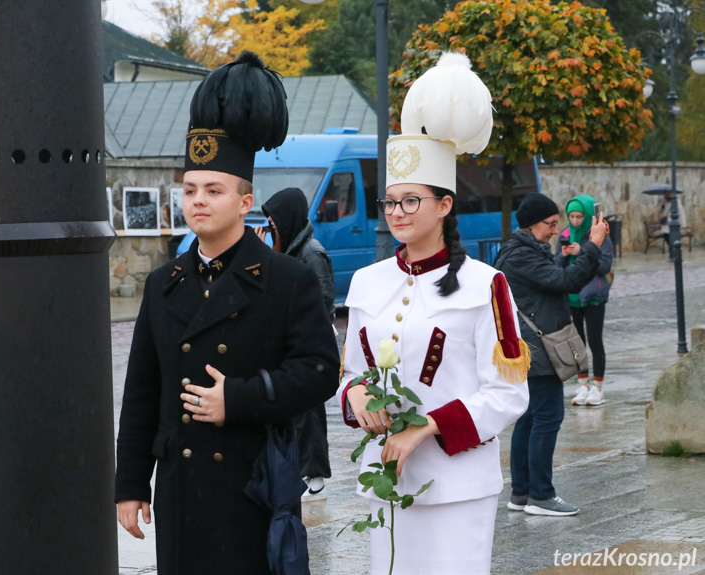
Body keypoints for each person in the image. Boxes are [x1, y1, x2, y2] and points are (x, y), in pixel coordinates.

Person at [114, 52, 340, 575]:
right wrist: (129, 485)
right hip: (179, 490)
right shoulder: (162, 284)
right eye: (190, 191)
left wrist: (236, 399)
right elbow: (142, 392)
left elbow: (321, 372)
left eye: (214, 191)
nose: (198, 202)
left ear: (245, 202)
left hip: (251, 484)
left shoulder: (287, 279)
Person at [338, 53, 530, 575]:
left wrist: (424, 425)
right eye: (389, 203)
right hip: (387, 482)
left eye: (411, 201)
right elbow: (352, 374)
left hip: (458, 486)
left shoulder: (486, 285)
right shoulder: (365, 282)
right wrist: (356, 395)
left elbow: (509, 393)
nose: (397, 213)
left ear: (445, 205)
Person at [495, 192, 608, 517]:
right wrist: (593, 246)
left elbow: (550, 279)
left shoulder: (522, 250)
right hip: (537, 348)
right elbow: (568, 282)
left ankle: (522, 493)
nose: (554, 230)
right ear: (532, 224)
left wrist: (566, 254)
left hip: (530, 345)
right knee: (546, 418)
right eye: (550, 224)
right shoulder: (520, 255)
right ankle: (541, 495)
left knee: (529, 420)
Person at [255, 187, 334, 500]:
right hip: (290, 343)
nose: (270, 225)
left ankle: (315, 477)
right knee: (296, 410)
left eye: (273, 220)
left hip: (309, 345)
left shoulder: (311, 253)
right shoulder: (287, 249)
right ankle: (299, 469)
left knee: (311, 413)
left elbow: (324, 298)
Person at [555, 195, 613, 406]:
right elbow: (556, 265)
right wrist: (563, 254)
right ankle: (582, 385)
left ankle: (597, 387)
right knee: (577, 343)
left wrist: (584, 252)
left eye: (580, 216)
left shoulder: (599, 234)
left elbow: (605, 266)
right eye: (572, 216)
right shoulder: (565, 234)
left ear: (588, 216)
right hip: (571, 296)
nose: (576, 220)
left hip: (594, 296)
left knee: (595, 341)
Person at [660, 188, 687, 254]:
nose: (666, 195)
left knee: (673, 239)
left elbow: (681, 212)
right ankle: (672, 251)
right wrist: (662, 204)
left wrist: (683, 224)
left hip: (673, 224)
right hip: (666, 224)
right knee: (666, 236)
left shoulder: (676, 201)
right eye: (666, 194)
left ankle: (674, 253)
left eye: (668, 193)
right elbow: (660, 210)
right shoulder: (665, 202)